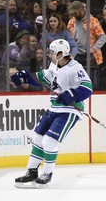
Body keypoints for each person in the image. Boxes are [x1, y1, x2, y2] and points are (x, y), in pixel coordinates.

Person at [15, 39, 93, 188]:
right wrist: (31, 74)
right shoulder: (55, 65)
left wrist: (71, 94)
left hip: (69, 110)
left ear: (60, 53)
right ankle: (32, 171)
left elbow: (87, 87)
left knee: (49, 141)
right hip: (54, 108)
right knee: (38, 137)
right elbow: (48, 77)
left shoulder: (75, 67)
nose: (49, 55)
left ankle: (47, 173)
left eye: (52, 52)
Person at [67, 0, 106, 66]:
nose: (74, 15)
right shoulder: (71, 22)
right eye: (72, 14)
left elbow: (103, 37)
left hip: (90, 55)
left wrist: (94, 48)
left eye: (75, 13)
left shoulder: (93, 21)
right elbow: (68, 38)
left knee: (91, 75)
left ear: (81, 9)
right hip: (75, 54)